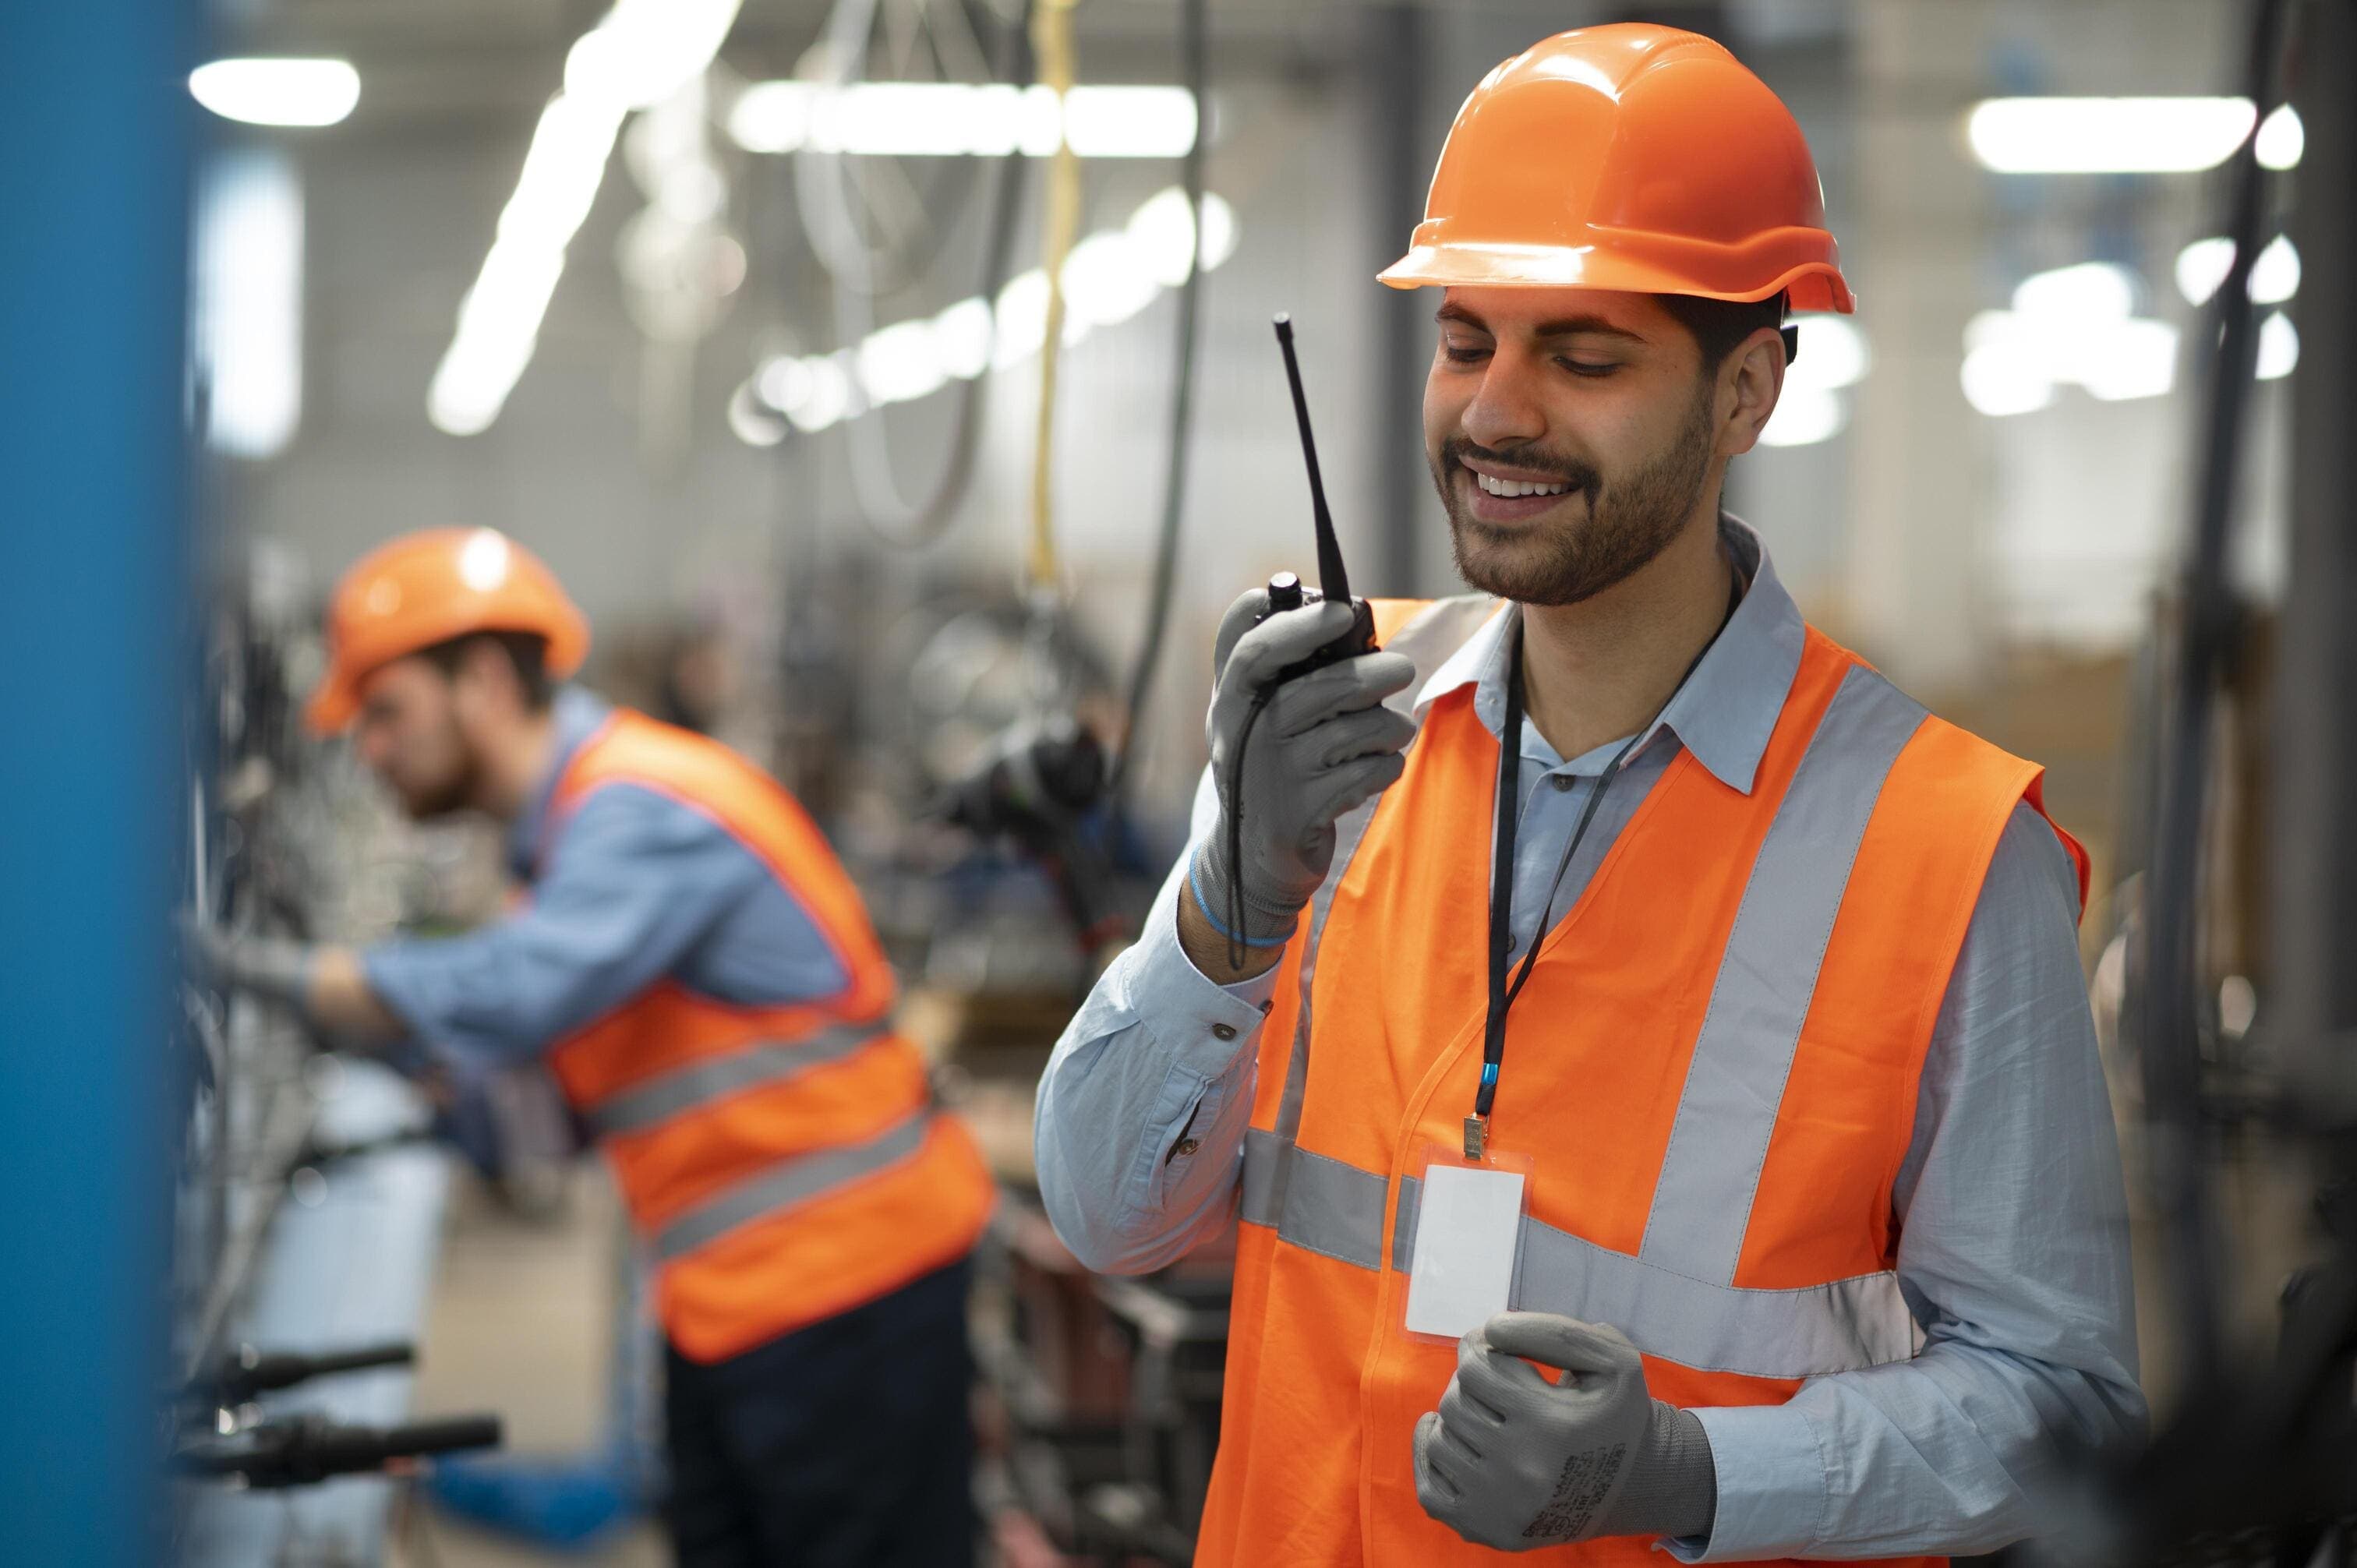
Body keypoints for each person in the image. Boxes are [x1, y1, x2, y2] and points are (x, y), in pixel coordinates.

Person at [1034, 23, 2143, 1565]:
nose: (1495, 411)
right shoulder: (1342, 738)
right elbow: (1107, 1210)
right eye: (1468, 336)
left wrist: (1698, 1472)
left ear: (1746, 388)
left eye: (1585, 354)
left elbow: (2064, 1411)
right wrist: (1231, 905)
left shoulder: (1948, 854)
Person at [196, 526, 995, 1566]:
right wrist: (413, 1080)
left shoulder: (637, 803)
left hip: (848, 1301)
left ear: (483, 680)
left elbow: (518, 989)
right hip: (736, 1302)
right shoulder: (571, 847)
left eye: (386, 712)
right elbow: (558, 1106)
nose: (371, 752)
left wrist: (273, 976)